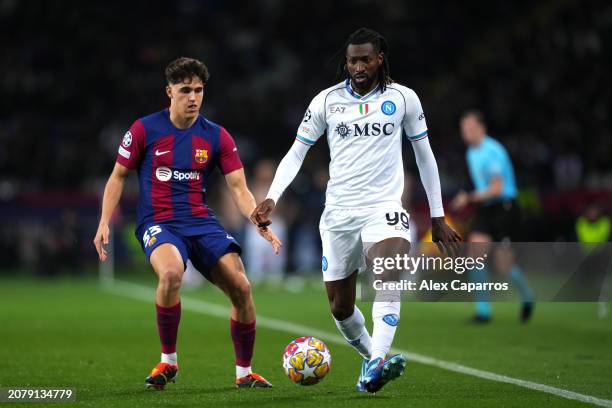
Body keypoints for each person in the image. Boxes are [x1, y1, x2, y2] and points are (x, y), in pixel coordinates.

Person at [250, 28, 460, 393]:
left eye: (365, 59)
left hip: (384, 208)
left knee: (387, 274)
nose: (358, 66)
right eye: (352, 60)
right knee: (340, 307)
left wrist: (438, 216)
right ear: (346, 62)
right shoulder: (326, 102)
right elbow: (297, 151)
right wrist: (273, 196)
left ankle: (378, 358)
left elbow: (425, 157)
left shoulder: (404, 99)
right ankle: (370, 360)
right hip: (338, 215)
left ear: (380, 59)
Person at [93, 57, 281, 390]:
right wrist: (104, 221)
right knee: (170, 274)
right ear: (169, 92)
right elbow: (118, 176)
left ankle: (244, 373)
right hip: (160, 222)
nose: (193, 97)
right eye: (185, 90)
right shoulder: (144, 129)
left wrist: (257, 220)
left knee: (242, 288)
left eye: (198, 90)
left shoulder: (216, 137)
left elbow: (239, 187)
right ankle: (168, 363)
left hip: (200, 221)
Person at [451, 109, 534, 323]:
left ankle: (527, 297)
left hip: (505, 208)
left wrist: (468, 198)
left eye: (469, 128)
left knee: (503, 265)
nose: (465, 133)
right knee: (474, 257)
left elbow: (497, 188)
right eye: (463, 129)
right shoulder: (471, 153)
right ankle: (483, 312)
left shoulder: (493, 150)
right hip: (486, 209)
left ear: (481, 128)